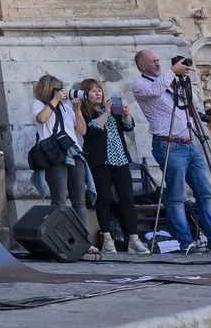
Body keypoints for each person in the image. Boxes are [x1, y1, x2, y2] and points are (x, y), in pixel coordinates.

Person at [129, 49, 211, 253]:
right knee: (177, 195)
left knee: (205, 193)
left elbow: (192, 103)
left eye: (158, 59)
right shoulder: (140, 85)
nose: (157, 63)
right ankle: (185, 242)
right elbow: (155, 91)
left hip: (189, 143)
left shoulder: (171, 82)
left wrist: (183, 81)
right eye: (153, 61)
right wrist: (172, 72)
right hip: (168, 144)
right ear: (142, 65)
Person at [78, 80, 147, 254]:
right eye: (93, 91)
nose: (98, 93)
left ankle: (134, 239)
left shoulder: (112, 109)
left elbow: (128, 127)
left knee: (127, 198)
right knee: (104, 199)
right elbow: (92, 129)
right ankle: (107, 238)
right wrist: (107, 113)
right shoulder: (85, 112)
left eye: (99, 90)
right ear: (85, 94)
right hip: (100, 161)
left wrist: (126, 114)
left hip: (120, 159)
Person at [31, 75, 86, 220]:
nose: (62, 91)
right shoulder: (39, 105)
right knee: (59, 200)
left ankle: (82, 234)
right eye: (57, 89)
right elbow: (41, 119)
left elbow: (82, 130)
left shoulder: (66, 107)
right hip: (54, 154)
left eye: (62, 88)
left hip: (74, 152)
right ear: (48, 90)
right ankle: (59, 233)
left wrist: (78, 111)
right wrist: (55, 100)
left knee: (80, 201)